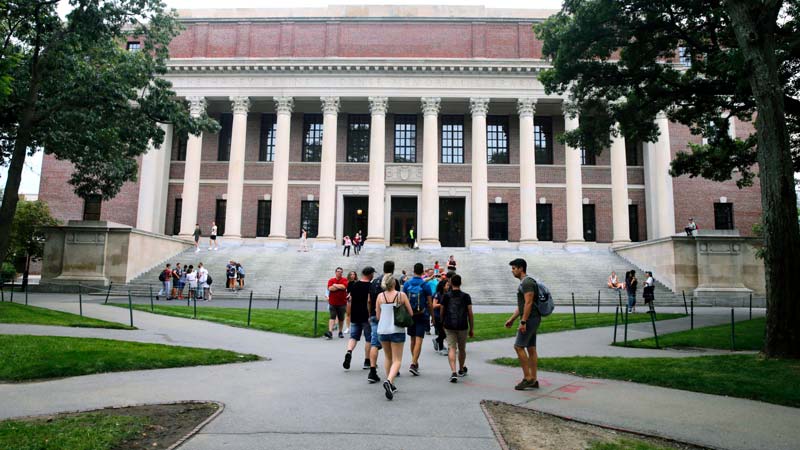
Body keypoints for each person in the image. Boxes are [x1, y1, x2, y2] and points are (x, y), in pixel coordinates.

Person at [505, 258, 541, 390]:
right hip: (531, 318)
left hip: (530, 319)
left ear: (521, 268)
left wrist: (523, 321)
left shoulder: (527, 283)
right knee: (531, 348)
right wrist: (512, 319)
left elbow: (529, 303)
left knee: (518, 347)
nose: (512, 271)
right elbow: (522, 305)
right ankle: (534, 379)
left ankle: (528, 378)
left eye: (514, 268)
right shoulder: (524, 283)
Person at [376, 273, 413, 400]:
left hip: (383, 329)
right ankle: (389, 381)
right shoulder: (401, 295)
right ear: (394, 283)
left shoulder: (380, 296)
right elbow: (410, 312)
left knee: (388, 357)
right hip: (397, 329)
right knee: (397, 360)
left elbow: (378, 316)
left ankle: (390, 383)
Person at [366, 260, 401, 384]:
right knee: (392, 343)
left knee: (374, 343)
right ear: (393, 269)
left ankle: (372, 369)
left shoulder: (375, 281)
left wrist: (370, 314)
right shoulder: (393, 281)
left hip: (376, 314)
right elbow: (398, 299)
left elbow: (369, 300)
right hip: (390, 316)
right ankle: (393, 369)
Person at [440, 274, 474, 383]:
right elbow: (470, 313)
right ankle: (461, 368)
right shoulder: (466, 296)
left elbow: (442, 310)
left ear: (450, 283)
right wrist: (471, 328)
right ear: (461, 283)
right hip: (462, 325)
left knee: (452, 348)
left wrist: (442, 321)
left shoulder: (446, 296)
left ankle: (453, 371)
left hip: (449, 325)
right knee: (462, 348)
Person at [402, 262, 434, 376]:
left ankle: (414, 362)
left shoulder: (407, 284)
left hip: (410, 315)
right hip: (422, 315)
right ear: (422, 272)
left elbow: (402, 300)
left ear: (413, 270)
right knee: (419, 339)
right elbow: (430, 303)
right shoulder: (425, 285)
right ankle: (414, 363)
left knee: (412, 339)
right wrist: (433, 318)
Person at [343, 266, 375, 371]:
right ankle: (367, 360)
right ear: (370, 274)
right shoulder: (371, 286)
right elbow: (369, 301)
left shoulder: (354, 285)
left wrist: (350, 313)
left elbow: (349, 299)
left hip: (355, 314)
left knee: (353, 337)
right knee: (368, 338)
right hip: (366, 316)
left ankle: (349, 351)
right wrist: (370, 315)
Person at [325, 267, 349, 339]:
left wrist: (335, 285)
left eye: (341, 272)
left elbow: (344, 287)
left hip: (342, 303)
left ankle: (340, 331)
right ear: (335, 272)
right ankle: (330, 332)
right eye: (338, 271)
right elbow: (330, 288)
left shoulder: (344, 280)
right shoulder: (331, 280)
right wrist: (338, 286)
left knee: (341, 318)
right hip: (332, 302)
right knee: (332, 316)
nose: (339, 273)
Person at [432, 272, 451, 355]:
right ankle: (441, 348)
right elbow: (434, 305)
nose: (448, 286)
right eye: (447, 285)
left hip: (445, 316)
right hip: (437, 316)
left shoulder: (448, 294)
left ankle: (437, 341)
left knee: (445, 332)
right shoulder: (438, 294)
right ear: (443, 287)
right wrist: (442, 304)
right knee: (442, 332)